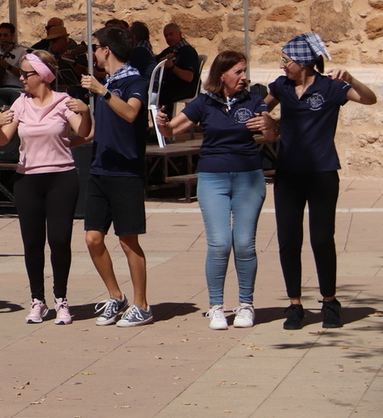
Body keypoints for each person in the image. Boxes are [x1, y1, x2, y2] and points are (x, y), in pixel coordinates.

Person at [263, 33, 376, 330]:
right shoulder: (281, 87)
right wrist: (269, 125)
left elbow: (369, 98)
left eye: (287, 60)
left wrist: (351, 77)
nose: (283, 65)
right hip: (288, 173)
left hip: (323, 172)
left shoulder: (331, 88)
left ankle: (329, 301)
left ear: (304, 62)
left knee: (322, 238)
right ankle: (295, 304)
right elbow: (260, 110)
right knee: (289, 240)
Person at [156, 51, 275, 330]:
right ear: (222, 75)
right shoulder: (204, 102)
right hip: (213, 178)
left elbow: (270, 133)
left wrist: (270, 125)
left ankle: (246, 305)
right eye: (238, 72)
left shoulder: (253, 99)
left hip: (249, 177)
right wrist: (161, 123)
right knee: (220, 243)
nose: (244, 77)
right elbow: (173, 130)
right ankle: (216, 306)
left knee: (245, 244)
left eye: (244, 71)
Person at [0, 51, 91, 324]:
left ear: (44, 76)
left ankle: (62, 299)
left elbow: (84, 132)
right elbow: (3, 141)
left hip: (61, 177)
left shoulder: (63, 102)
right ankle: (38, 300)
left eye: (27, 73)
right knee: (32, 243)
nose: (21, 78)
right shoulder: (20, 103)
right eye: (21, 74)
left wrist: (85, 112)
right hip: (28, 179)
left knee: (59, 241)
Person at [80, 26, 153, 327]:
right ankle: (115, 295)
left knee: (128, 240)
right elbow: (102, 126)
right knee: (93, 238)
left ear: (106, 50)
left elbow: (132, 113)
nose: (92, 52)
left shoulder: (135, 80)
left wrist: (102, 92)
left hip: (126, 171)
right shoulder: (107, 83)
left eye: (94, 47)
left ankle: (142, 304)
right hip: (99, 168)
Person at [156, 23, 200, 114]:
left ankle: (167, 124)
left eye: (171, 34)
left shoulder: (188, 51)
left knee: (164, 95)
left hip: (187, 87)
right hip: (173, 85)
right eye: (166, 35)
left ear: (179, 34)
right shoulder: (170, 50)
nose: (168, 38)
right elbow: (155, 60)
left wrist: (172, 67)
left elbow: (189, 77)